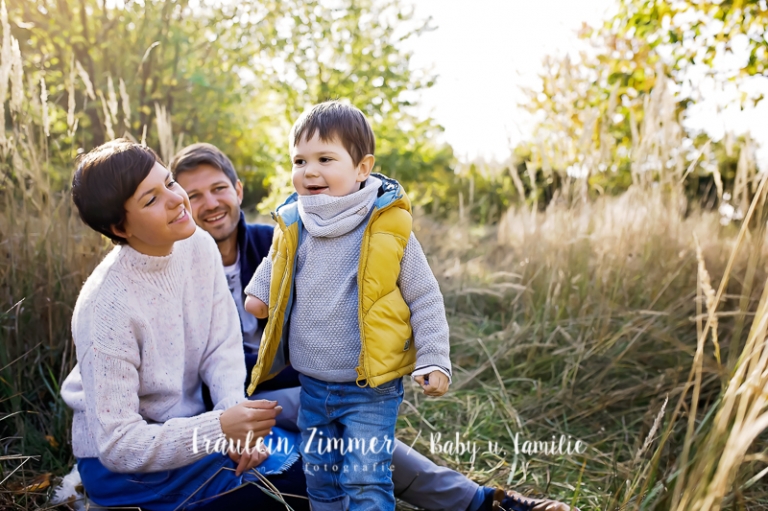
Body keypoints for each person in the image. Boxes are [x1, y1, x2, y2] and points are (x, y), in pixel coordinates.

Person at [172, 141, 578, 511]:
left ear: (238, 191)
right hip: (224, 402)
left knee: (354, 438)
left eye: (219, 188)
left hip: (298, 385)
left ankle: (485, 502)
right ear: (182, 206)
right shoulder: (178, 272)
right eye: (194, 195)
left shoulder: (285, 237)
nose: (210, 203)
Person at [59, 140, 309, 511]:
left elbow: (220, 347)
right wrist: (220, 430)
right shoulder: (105, 306)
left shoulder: (198, 245)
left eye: (170, 182)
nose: (176, 200)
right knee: (291, 494)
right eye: (150, 200)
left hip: (199, 432)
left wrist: (235, 425)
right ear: (119, 227)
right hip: (129, 470)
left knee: (319, 473)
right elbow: (118, 445)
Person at [243, 101, 450, 511]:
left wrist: (434, 359)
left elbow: (424, 296)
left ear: (362, 168)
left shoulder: (388, 227)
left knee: (365, 477)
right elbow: (276, 265)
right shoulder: (292, 224)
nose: (310, 170)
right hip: (313, 386)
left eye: (325, 158)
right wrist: (260, 294)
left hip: (369, 387)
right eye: (299, 160)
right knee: (320, 476)